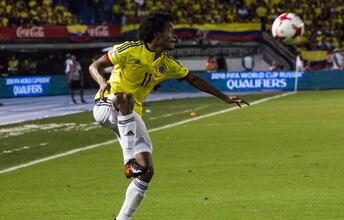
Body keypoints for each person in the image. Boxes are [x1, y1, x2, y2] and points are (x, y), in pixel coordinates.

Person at [88, 11, 249, 220]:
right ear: (157, 34)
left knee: (147, 170)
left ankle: (122, 218)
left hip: (129, 116)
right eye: (170, 31)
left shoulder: (167, 63)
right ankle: (128, 160)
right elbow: (95, 65)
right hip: (107, 104)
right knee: (125, 97)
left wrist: (224, 97)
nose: (174, 36)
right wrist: (102, 82)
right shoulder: (129, 49)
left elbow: (193, 79)